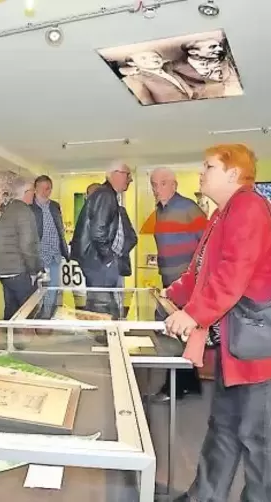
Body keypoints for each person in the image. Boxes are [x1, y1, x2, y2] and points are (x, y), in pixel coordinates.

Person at [165, 144, 271, 502]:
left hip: (257, 351)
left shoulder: (248, 206)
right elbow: (201, 272)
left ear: (233, 173)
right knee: (223, 429)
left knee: (258, 441)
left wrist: (193, 313)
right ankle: (204, 497)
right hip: (235, 346)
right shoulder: (221, 214)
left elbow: (231, 276)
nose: (201, 172)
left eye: (208, 166)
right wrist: (174, 293)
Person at [141, 167, 207, 402]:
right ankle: (190, 384)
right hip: (169, 282)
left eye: (161, 183)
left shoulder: (189, 208)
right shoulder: (159, 211)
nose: (155, 189)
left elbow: (206, 245)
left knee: (175, 335)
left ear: (174, 185)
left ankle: (175, 389)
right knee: (178, 335)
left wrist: (195, 279)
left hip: (187, 284)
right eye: (153, 184)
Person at [70, 161, 137, 288]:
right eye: (127, 175)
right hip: (99, 264)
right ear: (116, 174)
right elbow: (98, 233)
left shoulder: (107, 194)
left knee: (104, 303)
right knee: (102, 305)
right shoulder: (105, 194)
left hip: (98, 263)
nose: (130, 180)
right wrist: (109, 259)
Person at [0, 180, 42, 320]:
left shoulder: (8, 210)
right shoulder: (24, 211)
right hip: (19, 269)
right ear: (26, 193)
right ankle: (27, 340)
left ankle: (10, 340)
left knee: (11, 311)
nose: (34, 193)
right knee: (29, 310)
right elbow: (27, 244)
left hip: (4, 270)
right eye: (33, 191)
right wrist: (34, 270)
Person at [30, 175, 69, 288]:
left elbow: (59, 229)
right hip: (38, 256)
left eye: (47, 188)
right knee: (37, 292)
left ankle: (50, 306)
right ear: (35, 189)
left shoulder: (55, 206)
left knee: (53, 290)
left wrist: (64, 251)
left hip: (55, 256)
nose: (45, 191)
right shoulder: (29, 207)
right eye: (41, 188)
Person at [121, 50, 193, 105]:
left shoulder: (167, 67)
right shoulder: (134, 78)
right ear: (132, 63)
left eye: (155, 56)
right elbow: (146, 103)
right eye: (143, 58)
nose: (153, 59)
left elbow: (185, 59)